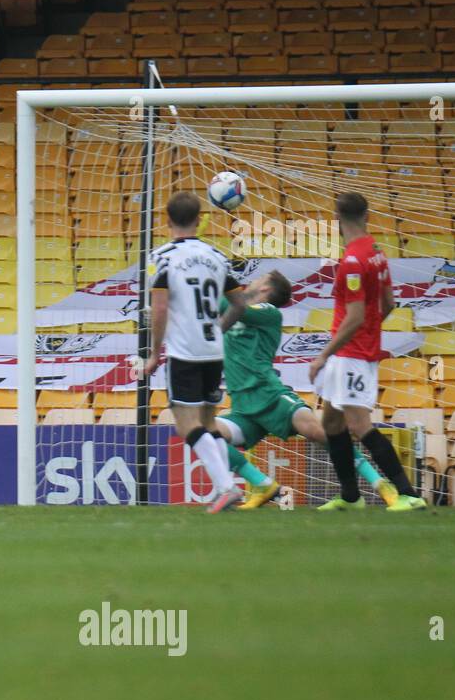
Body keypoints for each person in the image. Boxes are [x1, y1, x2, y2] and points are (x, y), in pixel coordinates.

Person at [212, 270, 397, 509]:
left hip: (271, 396)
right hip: (242, 406)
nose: (253, 281)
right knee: (205, 436)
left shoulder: (268, 313)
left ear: (266, 289)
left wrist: (199, 287)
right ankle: (261, 484)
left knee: (319, 434)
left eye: (259, 279)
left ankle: (380, 483)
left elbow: (229, 303)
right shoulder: (232, 313)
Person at [308, 192, 425, 511]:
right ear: (367, 215)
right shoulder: (376, 252)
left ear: (336, 220)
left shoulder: (352, 262)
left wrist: (323, 355)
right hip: (353, 352)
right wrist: (372, 330)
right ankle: (350, 496)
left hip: (351, 355)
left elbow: (356, 316)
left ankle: (408, 493)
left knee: (359, 424)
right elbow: (387, 303)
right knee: (331, 423)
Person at [143, 191, 246, 513]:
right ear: (200, 219)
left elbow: (159, 310)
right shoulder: (217, 256)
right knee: (208, 422)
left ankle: (228, 488)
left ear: (167, 220)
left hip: (184, 351)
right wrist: (219, 328)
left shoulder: (161, 257)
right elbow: (240, 303)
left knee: (187, 425)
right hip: (213, 350)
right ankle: (227, 486)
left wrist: (154, 352)